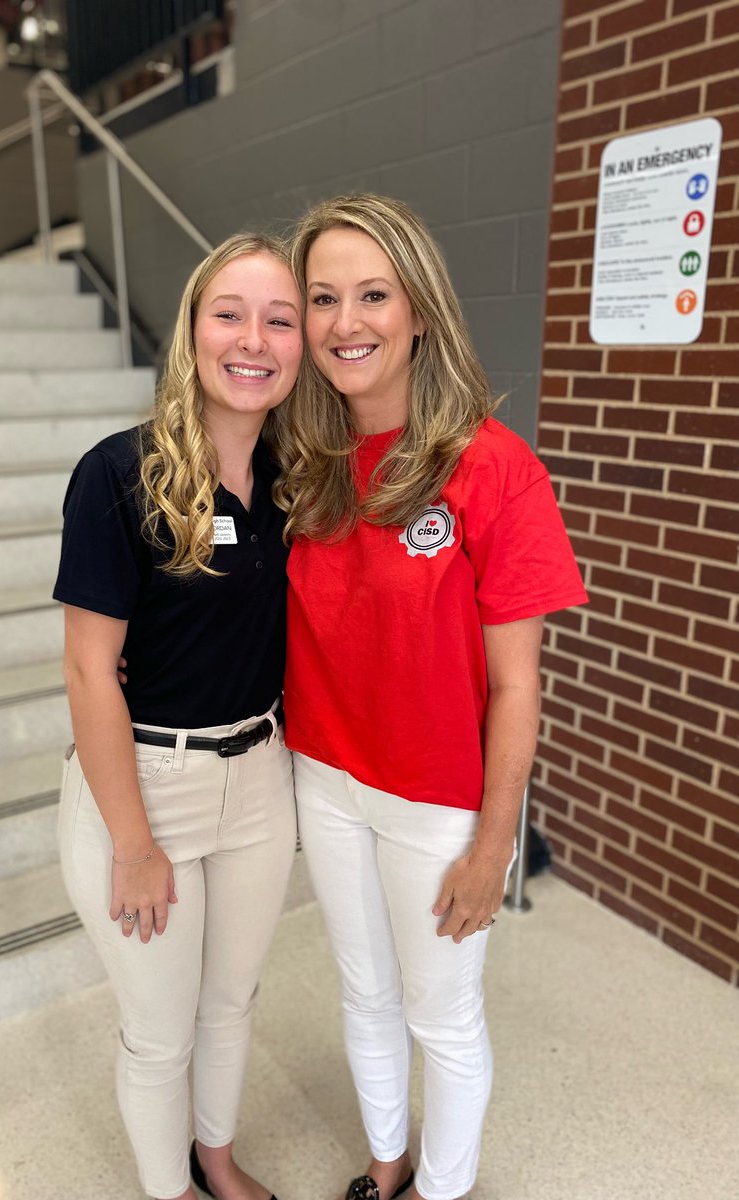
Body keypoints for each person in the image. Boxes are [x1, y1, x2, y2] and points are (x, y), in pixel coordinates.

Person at [276, 195, 588, 1200]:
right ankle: (386, 1170)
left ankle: (442, 1193)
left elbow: (515, 682)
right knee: (365, 995)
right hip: (326, 780)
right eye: (323, 297)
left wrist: (494, 844)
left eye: (373, 294)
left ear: (419, 311)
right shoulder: (307, 467)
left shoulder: (495, 472)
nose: (345, 322)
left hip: (439, 804)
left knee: (440, 1015)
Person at [53, 234, 302, 1200]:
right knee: (161, 1032)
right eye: (229, 314)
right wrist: (133, 841)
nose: (255, 339)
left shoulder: (291, 479)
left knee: (230, 1002)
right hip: (145, 787)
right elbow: (87, 670)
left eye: (280, 319)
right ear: (193, 331)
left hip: (257, 778)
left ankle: (216, 1157)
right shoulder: (119, 475)